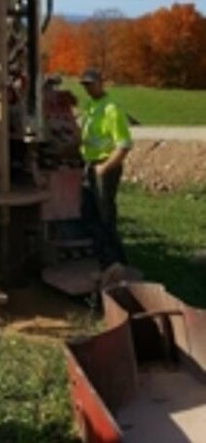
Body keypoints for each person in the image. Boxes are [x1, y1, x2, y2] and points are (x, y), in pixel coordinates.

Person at [79, 67, 132, 283]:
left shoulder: (112, 109)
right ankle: (113, 264)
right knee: (90, 216)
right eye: (85, 85)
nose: (88, 88)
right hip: (91, 165)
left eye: (91, 84)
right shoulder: (91, 107)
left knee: (104, 217)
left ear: (101, 82)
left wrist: (105, 167)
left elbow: (124, 145)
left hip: (104, 168)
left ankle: (114, 266)